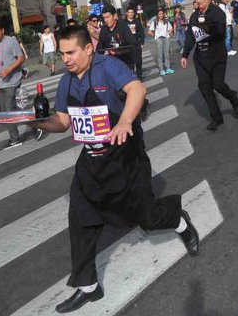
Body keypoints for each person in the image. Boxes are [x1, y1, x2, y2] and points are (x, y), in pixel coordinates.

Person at [32, 26, 199, 313]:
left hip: (125, 155)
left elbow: (137, 89)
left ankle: (178, 219)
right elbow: (62, 122)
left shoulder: (108, 67)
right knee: (80, 218)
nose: (66, 59)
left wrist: (123, 121)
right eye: (62, 54)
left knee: (146, 217)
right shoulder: (67, 82)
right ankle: (88, 286)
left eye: (70, 52)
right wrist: (34, 123)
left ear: (87, 49)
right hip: (92, 160)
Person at [181, 0, 238, 131]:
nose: (198, 1)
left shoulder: (217, 13)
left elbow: (221, 33)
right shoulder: (194, 16)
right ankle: (217, 118)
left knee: (218, 85)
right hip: (201, 58)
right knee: (204, 87)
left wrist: (207, 26)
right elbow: (190, 36)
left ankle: (233, 98)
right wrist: (185, 54)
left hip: (217, 56)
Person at [0, 21, 25, 149]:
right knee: (6, 113)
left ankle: (14, 139)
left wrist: (9, 70)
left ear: (2, 30)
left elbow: (21, 58)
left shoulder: (11, 41)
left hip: (12, 81)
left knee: (10, 110)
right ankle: (37, 124)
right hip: (0, 85)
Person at [148, 8, 175, 75]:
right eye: (160, 14)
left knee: (167, 54)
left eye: (162, 14)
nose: (161, 15)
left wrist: (168, 32)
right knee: (160, 55)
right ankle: (162, 69)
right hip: (159, 39)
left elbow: (171, 29)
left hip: (166, 38)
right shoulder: (154, 22)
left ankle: (168, 68)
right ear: (157, 14)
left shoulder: (166, 21)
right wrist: (156, 36)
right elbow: (149, 32)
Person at [122, 7, 146, 80]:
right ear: (127, 13)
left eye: (132, 12)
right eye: (129, 12)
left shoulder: (137, 22)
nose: (131, 14)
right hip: (128, 46)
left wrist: (142, 43)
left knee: (138, 62)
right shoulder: (124, 23)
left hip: (136, 45)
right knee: (130, 63)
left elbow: (142, 33)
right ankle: (131, 77)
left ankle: (139, 76)